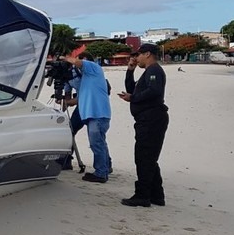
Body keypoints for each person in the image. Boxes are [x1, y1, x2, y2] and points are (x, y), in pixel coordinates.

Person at [118, 43, 169, 207]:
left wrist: (133, 98)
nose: (136, 58)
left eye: (138, 55)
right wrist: (130, 70)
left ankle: (143, 195)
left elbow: (154, 91)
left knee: (144, 157)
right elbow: (132, 89)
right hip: (146, 119)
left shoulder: (154, 70)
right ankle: (156, 195)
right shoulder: (148, 72)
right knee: (149, 157)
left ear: (147, 54)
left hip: (151, 118)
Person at [62, 52, 112, 183]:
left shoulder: (93, 67)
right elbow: (77, 99)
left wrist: (65, 59)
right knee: (98, 142)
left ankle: (101, 173)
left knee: (97, 143)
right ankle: (104, 169)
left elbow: (79, 63)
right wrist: (64, 101)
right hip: (90, 113)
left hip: (97, 113)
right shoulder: (86, 80)